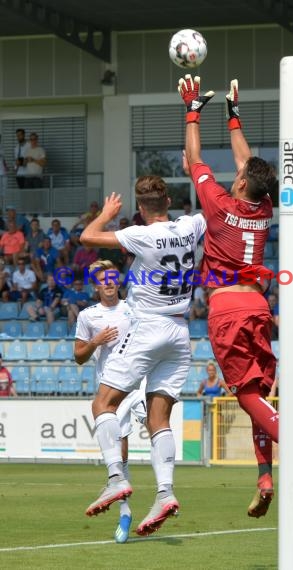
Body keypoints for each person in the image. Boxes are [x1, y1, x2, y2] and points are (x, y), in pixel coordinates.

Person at [178, 74, 293, 517]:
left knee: (245, 395)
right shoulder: (263, 208)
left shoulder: (219, 205)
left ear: (240, 184)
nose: (237, 169)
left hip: (226, 309)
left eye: (239, 173)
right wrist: (234, 115)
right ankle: (264, 477)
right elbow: (250, 163)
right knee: (258, 394)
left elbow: (191, 158)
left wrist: (191, 111)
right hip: (259, 307)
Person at [80, 177, 206, 535]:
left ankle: (116, 478)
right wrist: (193, 166)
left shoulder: (140, 234)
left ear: (140, 208)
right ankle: (165, 492)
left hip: (147, 325)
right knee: (159, 418)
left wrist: (105, 214)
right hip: (180, 331)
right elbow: (211, 213)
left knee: (102, 405)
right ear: (169, 199)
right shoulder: (190, 225)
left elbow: (88, 237)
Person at [74, 259, 146, 544]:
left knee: (159, 428)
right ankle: (125, 512)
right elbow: (78, 356)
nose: (109, 283)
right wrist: (96, 341)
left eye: (113, 278)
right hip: (111, 390)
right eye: (103, 280)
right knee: (121, 455)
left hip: (140, 383)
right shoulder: (87, 316)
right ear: (96, 285)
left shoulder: (134, 308)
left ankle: (166, 491)